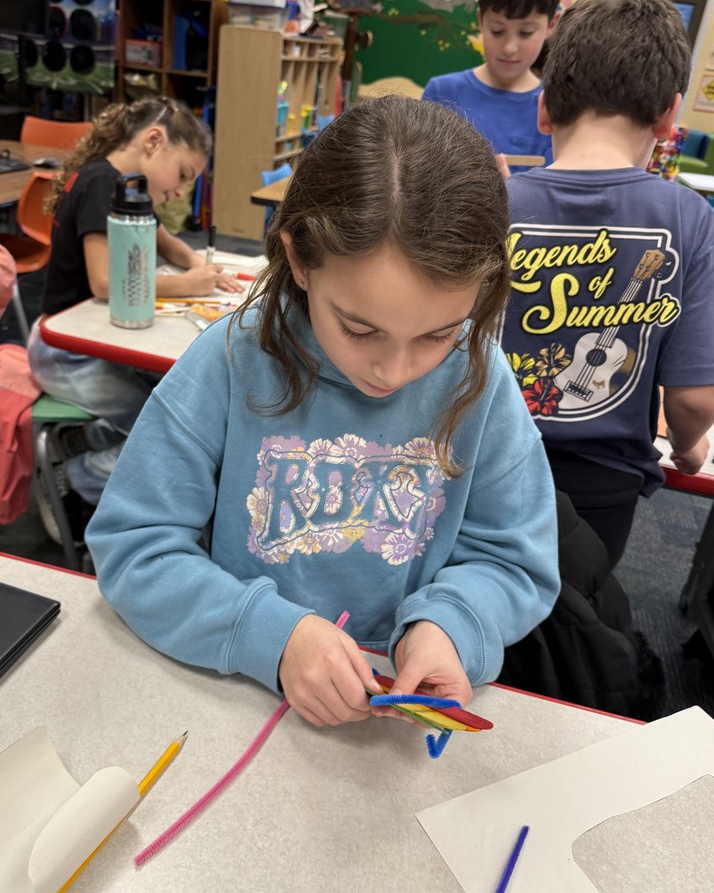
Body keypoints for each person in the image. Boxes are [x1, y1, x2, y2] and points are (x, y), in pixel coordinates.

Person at [86, 96, 560, 729]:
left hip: (391, 723)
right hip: (238, 701)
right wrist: (272, 638)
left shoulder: (481, 378)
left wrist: (453, 625)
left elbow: (514, 560)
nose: (392, 372)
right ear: (300, 259)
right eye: (360, 330)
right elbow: (133, 546)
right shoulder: (232, 359)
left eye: (437, 334)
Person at [501, 0, 714, 567]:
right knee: (578, 634)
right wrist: (687, 446)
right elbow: (695, 398)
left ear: (544, 108)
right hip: (603, 488)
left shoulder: (491, 203)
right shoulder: (690, 220)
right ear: (669, 115)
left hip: (483, 465)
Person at [28, 96, 244, 539]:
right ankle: (77, 478)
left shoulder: (129, 188)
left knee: (169, 405)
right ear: (153, 140)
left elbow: (166, 242)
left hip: (92, 343)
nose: (183, 191)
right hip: (66, 351)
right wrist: (188, 285)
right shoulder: (99, 183)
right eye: (183, 175)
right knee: (159, 429)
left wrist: (202, 268)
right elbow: (106, 283)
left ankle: (93, 453)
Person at [422, 0, 564, 170]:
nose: (509, 47)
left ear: (551, 24)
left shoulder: (555, 108)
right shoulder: (441, 93)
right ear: (480, 20)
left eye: (526, 32)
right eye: (497, 31)